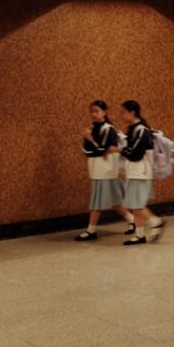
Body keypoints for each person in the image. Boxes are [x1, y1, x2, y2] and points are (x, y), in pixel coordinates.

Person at [75, 100, 137, 242]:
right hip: (98, 168)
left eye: (97, 111)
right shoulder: (92, 128)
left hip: (105, 170)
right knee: (116, 202)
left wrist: (90, 140)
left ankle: (91, 230)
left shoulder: (108, 129)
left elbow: (105, 149)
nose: (94, 114)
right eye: (92, 111)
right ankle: (132, 220)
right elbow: (88, 151)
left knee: (96, 203)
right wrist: (89, 141)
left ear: (105, 112)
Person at [118, 100, 165, 245]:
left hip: (141, 172)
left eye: (123, 112)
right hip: (135, 171)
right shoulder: (133, 130)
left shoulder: (141, 130)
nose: (121, 115)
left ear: (132, 112)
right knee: (135, 204)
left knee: (137, 204)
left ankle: (155, 221)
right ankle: (139, 235)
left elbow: (135, 154)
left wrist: (119, 149)